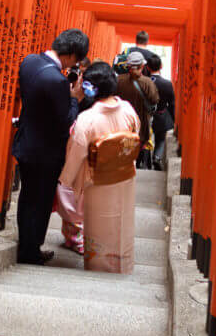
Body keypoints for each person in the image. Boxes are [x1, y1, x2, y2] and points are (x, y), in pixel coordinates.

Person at [13, 28, 89, 265]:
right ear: (72, 54)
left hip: (25, 143)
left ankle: (26, 245)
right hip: (45, 152)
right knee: (41, 202)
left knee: (27, 198)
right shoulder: (56, 80)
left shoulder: (29, 62)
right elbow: (66, 121)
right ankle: (31, 251)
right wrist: (75, 99)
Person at [60, 62, 140, 273]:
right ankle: (119, 261)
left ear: (93, 88)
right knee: (118, 221)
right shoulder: (128, 110)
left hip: (94, 177)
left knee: (94, 222)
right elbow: (134, 137)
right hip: (122, 175)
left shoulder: (87, 119)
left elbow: (77, 151)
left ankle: (97, 263)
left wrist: (66, 180)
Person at [54, 56, 94, 255]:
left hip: (81, 148)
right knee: (71, 195)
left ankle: (76, 237)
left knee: (77, 196)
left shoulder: (91, 97)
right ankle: (71, 236)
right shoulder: (72, 89)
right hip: (70, 145)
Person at [116, 52, 159, 169]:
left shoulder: (118, 80)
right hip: (141, 122)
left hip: (121, 122)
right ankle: (134, 165)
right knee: (138, 144)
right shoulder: (148, 83)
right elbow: (155, 100)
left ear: (128, 66)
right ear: (142, 66)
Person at [148, 52, 176, 170]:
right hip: (161, 115)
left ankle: (142, 161)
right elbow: (172, 103)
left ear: (147, 67)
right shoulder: (167, 84)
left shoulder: (144, 81)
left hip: (145, 115)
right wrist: (172, 118)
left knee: (144, 138)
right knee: (160, 140)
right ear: (161, 66)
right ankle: (157, 156)